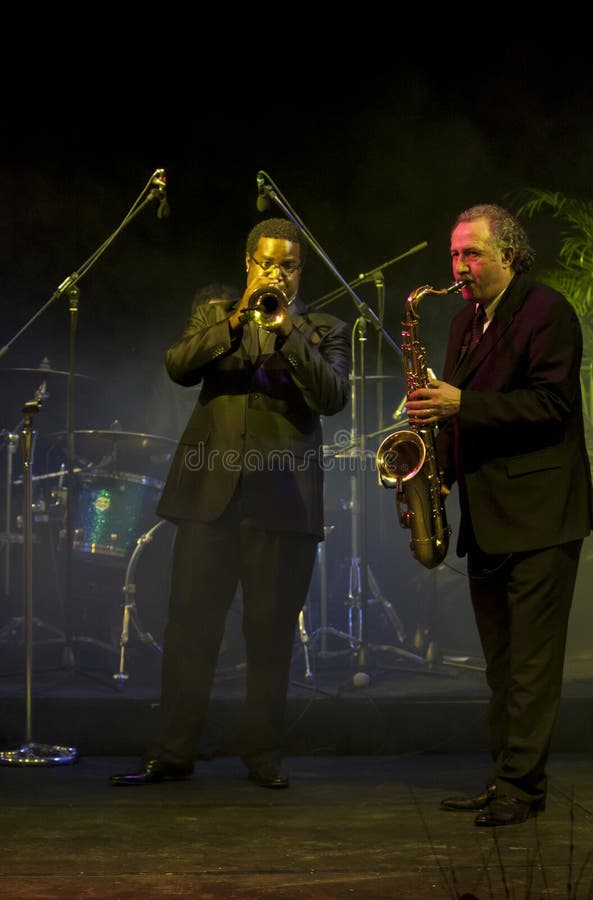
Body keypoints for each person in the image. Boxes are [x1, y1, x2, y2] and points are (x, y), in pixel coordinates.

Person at [111, 217, 350, 788]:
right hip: (208, 502)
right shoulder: (217, 317)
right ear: (249, 264)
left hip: (283, 505)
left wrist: (286, 330)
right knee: (191, 629)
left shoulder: (324, 329)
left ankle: (263, 754)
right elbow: (178, 365)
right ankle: (172, 752)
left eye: (287, 266)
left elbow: (333, 396)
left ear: (299, 272)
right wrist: (240, 317)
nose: (277, 273)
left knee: (269, 636)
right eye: (267, 263)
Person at [405, 203, 593, 827]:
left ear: (508, 254)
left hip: (541, 518)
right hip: (488, 518)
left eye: (473, 253)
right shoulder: (464, 323)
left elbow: (551, 405)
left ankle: (522, 788)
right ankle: (506, 779)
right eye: (455, 253)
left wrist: (462, 401)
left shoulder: (547, 312)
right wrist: (432, 479)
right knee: (502, 666)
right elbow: (465, 416)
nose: (460, 265)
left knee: (533, 667)